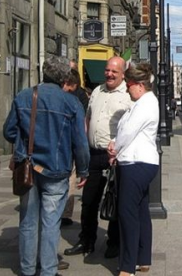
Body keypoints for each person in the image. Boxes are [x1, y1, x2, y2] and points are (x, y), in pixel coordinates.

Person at [3, 56, 90, 276]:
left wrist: (24, 144)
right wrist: (83, 169)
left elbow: (9, 131)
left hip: (28, 167)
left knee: (28, 221)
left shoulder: (24, 96)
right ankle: (49, 271)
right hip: (57, 170)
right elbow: (80, 141)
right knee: (51, 223)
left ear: (43, 73)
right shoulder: (71, 102)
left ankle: (27, 269)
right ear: (63, 77)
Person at [64, 56, 131, 259]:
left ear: (123, 74)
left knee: (115, 200)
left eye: (114, 72)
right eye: (107, 70)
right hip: (92, 154)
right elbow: (88, 118)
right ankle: (87, 241)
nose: (109, 74)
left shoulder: (128, 95)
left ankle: (114, 243)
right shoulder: (97, 92)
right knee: (89, 201)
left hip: (114, 157)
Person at [108, 62, 160, 276]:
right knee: (140, 212)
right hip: (139, 162)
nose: (127, 89)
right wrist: (114, 141)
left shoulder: (145, 104)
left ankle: (127, 267)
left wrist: (114, 150)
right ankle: (143, 258)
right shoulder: (143, 102)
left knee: (126, 214)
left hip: (135, 163)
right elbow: (126, 132)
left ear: (139, 85)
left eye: (128, 84)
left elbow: (128, 132)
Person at [61, 67, 88, 227]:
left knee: (69, 178)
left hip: (61, 146)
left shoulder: (78, 97)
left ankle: (63, 213)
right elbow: (81, 127)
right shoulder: (80, 98)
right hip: (69, 143)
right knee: (69, 177)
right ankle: (64, 214)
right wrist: (84, 169)